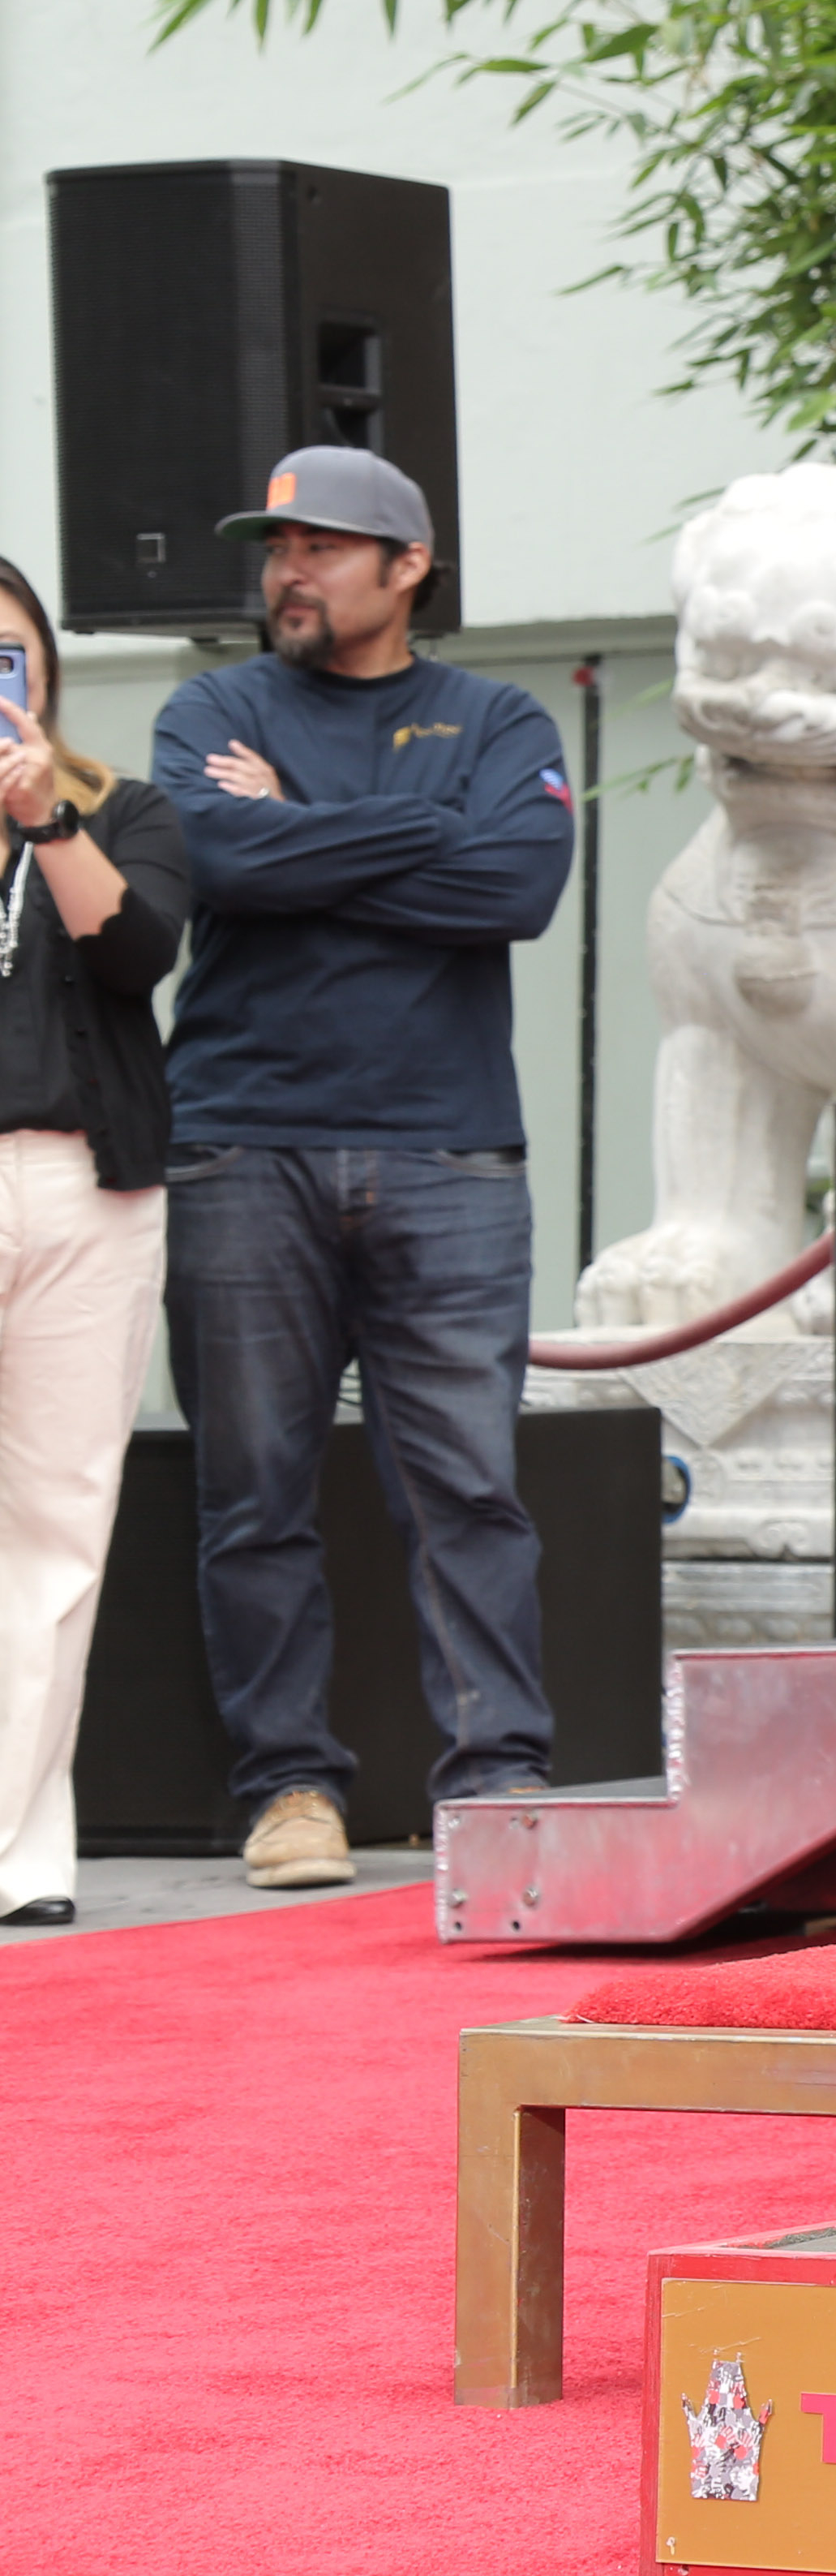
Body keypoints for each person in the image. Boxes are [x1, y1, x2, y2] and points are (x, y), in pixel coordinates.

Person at [154, 447, 574, 1890]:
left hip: (447, 1149)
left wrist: (298, 829)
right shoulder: (210, 710)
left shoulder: (497, 711)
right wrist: (414, 835)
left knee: (467, 1488)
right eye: (277, 547)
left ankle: (501, 1778)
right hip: (239, 1143)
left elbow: (515, 888)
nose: (288, 572)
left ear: (410, 569)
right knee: (250, 1492)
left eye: (324, 548)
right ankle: (288, 1791)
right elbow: (217, 863)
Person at [0, 561, 191, 1929]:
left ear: (44, 671)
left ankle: (20, 1851)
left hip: (84, 1191)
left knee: (57, 1528)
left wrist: (43, 818)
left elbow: (137, 954)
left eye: (8, 656)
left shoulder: (120, 806)